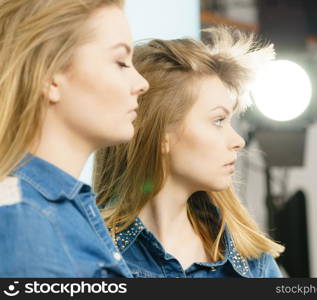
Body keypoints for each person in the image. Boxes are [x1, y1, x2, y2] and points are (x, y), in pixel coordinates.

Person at [93, 27, 285, 278]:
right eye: (218, 120)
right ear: (161, 134)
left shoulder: (253, 264)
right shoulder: (90, 257)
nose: (238, 141)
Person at [0, 0, 149, 277]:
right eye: (120, 62)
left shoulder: (61, 212)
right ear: (50, 77)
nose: (142, 83)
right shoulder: (26, 225)